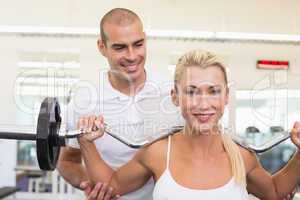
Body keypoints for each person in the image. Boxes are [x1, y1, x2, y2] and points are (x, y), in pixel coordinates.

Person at [77, 50, 300, 200]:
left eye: (214, 91)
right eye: (192, 91)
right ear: (175, 96)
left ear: (226, 96)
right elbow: (111, 184)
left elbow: (275, 191)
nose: (204, 104)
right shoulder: (159, 152)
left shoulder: (241, 157)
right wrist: (86, 143)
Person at [57, 7, 181, 200]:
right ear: (102, 47)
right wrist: (90, 184)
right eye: (119, 47)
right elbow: (67, 161)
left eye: (138, 44)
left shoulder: (170, 93)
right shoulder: (84, 100)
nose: (132, 56)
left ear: (145, 40)